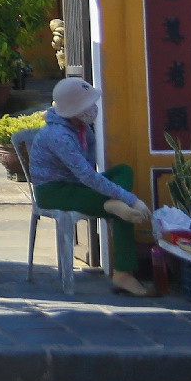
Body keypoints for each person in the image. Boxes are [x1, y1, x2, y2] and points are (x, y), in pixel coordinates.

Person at [28, 77, 152, 296]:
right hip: (54, 192)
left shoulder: (81, 128)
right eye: (86, 105)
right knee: (122, 206)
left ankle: (114, 205)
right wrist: (130, 198)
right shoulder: (59, 136)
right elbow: (86, 176)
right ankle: (123, 272)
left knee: (123, 172)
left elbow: (90, 168)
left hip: (77, 185)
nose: (93, 108)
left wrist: (118, 196)